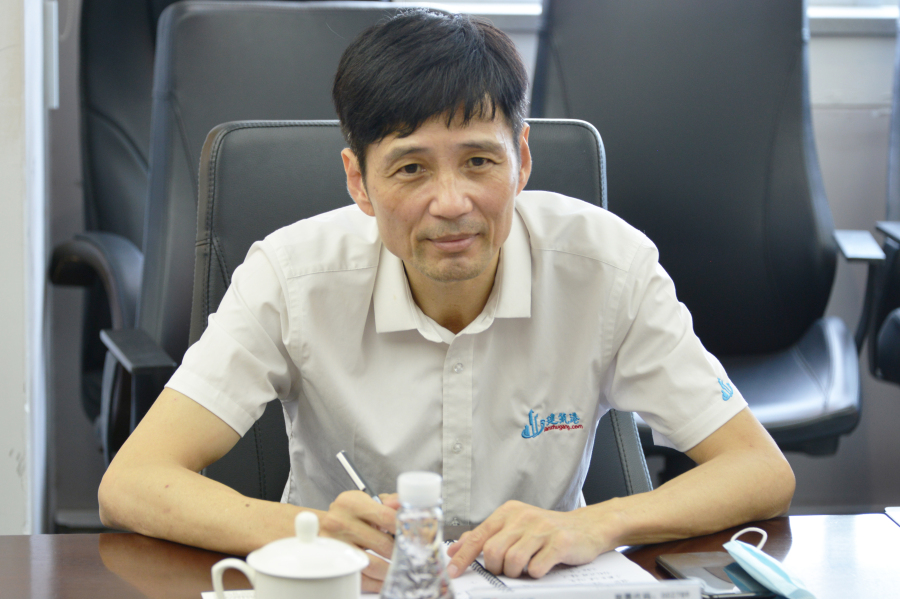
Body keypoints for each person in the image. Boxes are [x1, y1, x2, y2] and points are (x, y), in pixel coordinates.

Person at [98, 9, 795, 593]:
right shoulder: (292, 274)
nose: (452, 203)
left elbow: (759, 470)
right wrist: (306, 531)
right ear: (358, 181)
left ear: (522, 159)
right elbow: (132, 482)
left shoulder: (608, 267)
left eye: (479, 161)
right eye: (410, 168)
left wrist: (594, 523)